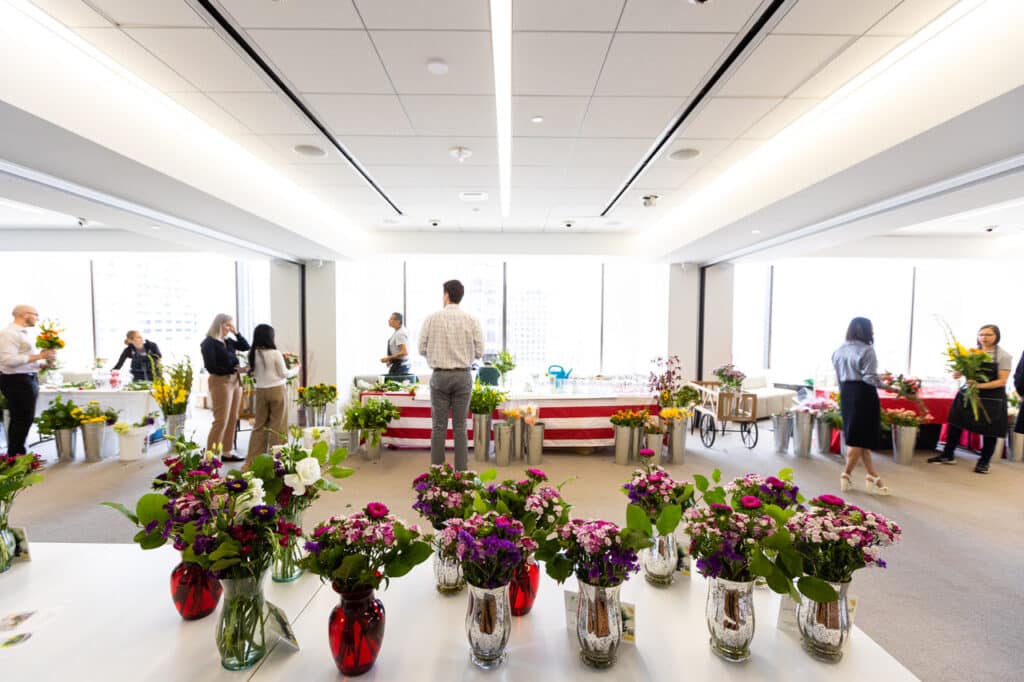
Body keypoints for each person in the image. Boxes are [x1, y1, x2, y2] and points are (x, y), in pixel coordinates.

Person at [419, 280, 483, 471]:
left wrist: (437, 353)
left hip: (439, 376)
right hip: (463, 376)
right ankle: (461, 473)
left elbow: (421, 348)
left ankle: (437, 471)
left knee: (438, 426)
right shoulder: (471, 320)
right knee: (460, 427)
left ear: (446, 294)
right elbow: (480, 352)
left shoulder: (431, 318)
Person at [928, 324, 1011, 473]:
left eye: (988, 335)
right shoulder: (971, 352)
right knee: (956, 423)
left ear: (997, 336)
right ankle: (948, 454)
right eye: (981, 334)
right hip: (968, 394)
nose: (984, 338)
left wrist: (979, 386)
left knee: (990, 431)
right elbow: (964, 370)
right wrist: (958, 373)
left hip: (991, 398)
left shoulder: (1004, 356)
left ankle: (984, 462)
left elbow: (1002, 381)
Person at [831, 317, 890, 495]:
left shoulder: (838, 350)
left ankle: (873, 476)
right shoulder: (867, 350)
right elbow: (870, 378)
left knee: (860, 437)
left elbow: (838, 378)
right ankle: (846, 474)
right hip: (864, 394)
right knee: (858, 438)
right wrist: (889, 386)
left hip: (847, 394)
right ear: (868, 331)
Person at [0, 305, 56, 455]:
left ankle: (17, 454)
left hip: (27, 378)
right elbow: (8, 360)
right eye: (36, 315)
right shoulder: (9, 333)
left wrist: (44, 363)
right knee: (20, 419)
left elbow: (26, 361)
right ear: (25, 315)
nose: (37, 318)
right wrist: (40, 356)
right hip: (15, 380)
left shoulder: (23, 334)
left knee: (25, 418)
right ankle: (16, 456)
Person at [245, 323, 298, 467]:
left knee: (259, 426)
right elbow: (284, 374)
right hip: (277, 390)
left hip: (261, 392)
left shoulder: (253, 353)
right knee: (278, 425)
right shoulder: (275, 353)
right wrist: (296, 369)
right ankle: (277, 461)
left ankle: (251, 461)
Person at [200, 313, 250, 462]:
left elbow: (245, 346)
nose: (230, 328)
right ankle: (211, 455)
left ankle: (227, 451)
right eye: (227, 325)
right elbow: (211, 367)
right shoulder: (208, 343)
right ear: (219, 325)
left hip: (235, 381)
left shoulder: (228, 341)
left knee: (233, 417)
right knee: (221, 419)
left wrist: (237, 333)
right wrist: (234, 369)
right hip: (220, 381)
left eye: (231, 325)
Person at [381, 312, 412, 377]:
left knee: (391, 384)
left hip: (400, 366)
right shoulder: (398, 332)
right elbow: (396, 349)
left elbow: (404, 352)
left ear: (398, 321)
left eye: (391, 319)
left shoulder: (400, 334)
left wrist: (388, 358)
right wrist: (391, 360)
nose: (389, 320)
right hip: (399, 364)